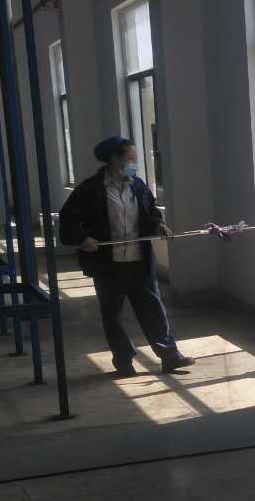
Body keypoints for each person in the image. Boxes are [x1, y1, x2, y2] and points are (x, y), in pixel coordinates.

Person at [59, 137, 193, 378]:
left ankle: (169, 356)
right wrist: (82, 238)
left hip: (139, 260)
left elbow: (150, 212)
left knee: (153, 308)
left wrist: (158, 225)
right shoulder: (91, 189)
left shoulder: (137, 186)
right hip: (107, 265)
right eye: (131, 159)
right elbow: (68, 218)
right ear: (114, 159)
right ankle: (123, 360)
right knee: (113, 314)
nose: (134, 164)